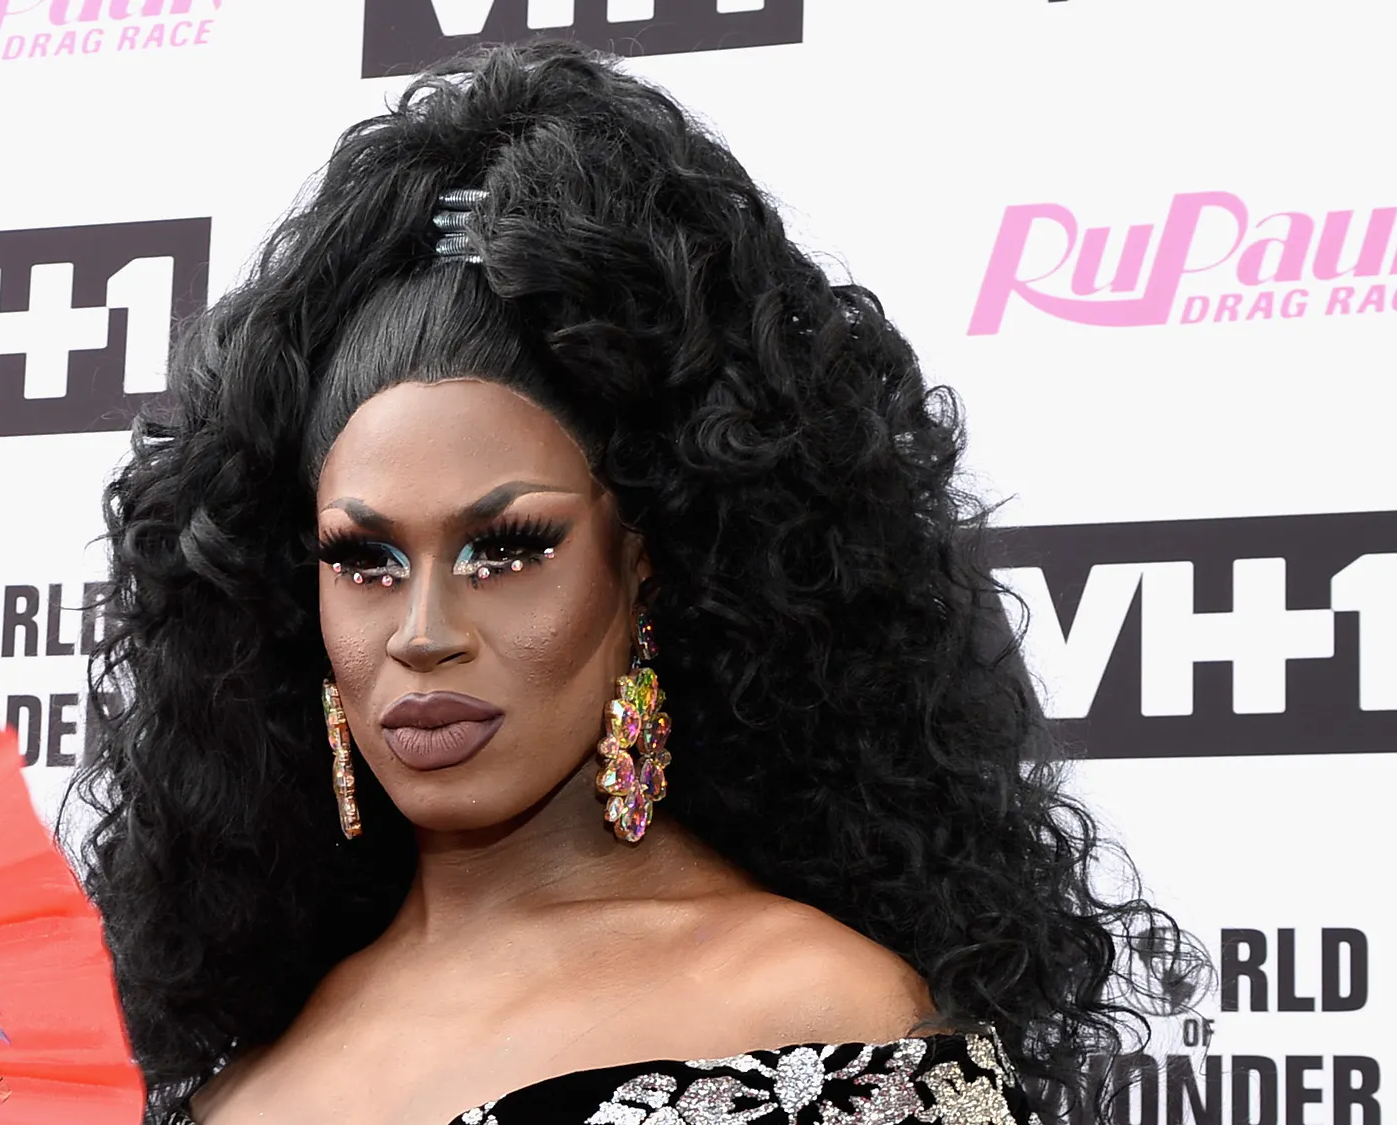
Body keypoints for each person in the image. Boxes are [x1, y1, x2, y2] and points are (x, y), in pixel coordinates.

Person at [68, 41, 1201, 1125]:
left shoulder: (823, 1023)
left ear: (648, 563)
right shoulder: (229, 1062)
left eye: (506, 547)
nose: (422, 631)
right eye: (363, 560)